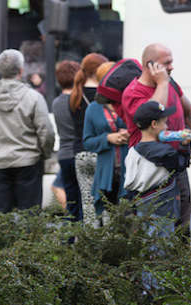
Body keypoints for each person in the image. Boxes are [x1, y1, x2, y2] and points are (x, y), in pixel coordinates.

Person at [121, 43, 191, 238]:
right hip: (150, 170)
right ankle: (153, 265)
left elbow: (190, 111)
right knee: (153, 223)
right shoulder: (133, 92)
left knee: (182, 215)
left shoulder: (171, 83)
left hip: (174, 161)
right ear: (150, 65)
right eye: (167, 63)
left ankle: (179, 262)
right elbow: (154, 111)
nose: (171, 67)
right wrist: (161, 83)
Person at [0, 49, 55, 212]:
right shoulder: (33, 97)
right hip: (29, 163)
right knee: (30, 219)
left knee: (1, 220)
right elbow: (46, 132)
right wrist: (44, 154)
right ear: (21, 70)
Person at [124, 101, 191, 235]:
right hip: (161, 209)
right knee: (160, 248)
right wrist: (184, 145)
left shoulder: (132, 151)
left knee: (145, 245)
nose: (167, 127)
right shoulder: (164, 151)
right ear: (154, 124)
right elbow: (180, 165)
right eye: (164, 123)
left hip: (139, 208)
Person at [83, 61, 129, 220]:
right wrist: (108, 138)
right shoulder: (93, 108)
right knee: (106, 220)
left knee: (128, 219)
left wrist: (130, 134)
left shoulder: (129, 102)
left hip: (129, 170)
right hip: (106, 173)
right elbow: (87, 142)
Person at [71, 53, 108, 225]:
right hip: (101, 153)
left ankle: (90, 244)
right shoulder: (105, 96)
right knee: (107, 203)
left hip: (80, 155)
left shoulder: (75, 94)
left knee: (87, 204)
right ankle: (109, 243)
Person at [52, 60, 84, 220]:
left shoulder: (56, 103)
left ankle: (67, 242)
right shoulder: (79, 101)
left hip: (64, 155)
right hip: (80, 154)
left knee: (71, 205)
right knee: (85, 205)